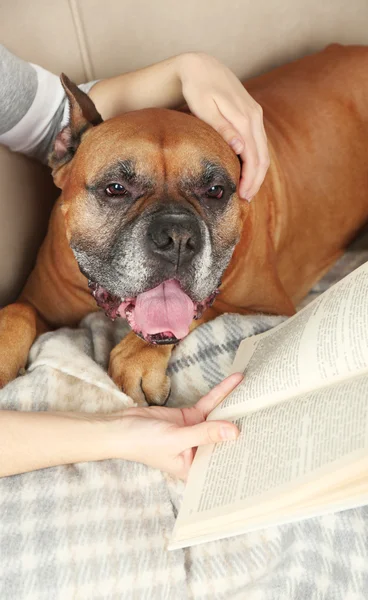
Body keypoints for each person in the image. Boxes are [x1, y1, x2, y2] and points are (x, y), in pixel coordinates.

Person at [0, 46, 269, 479]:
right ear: (63, 166)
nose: (174, 236)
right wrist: (16, 320)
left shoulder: (245, 195)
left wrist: (190, 67)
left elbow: (49, 115)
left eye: (213, 192)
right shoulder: (75, 180)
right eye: (116, 190)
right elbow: (41, 308)